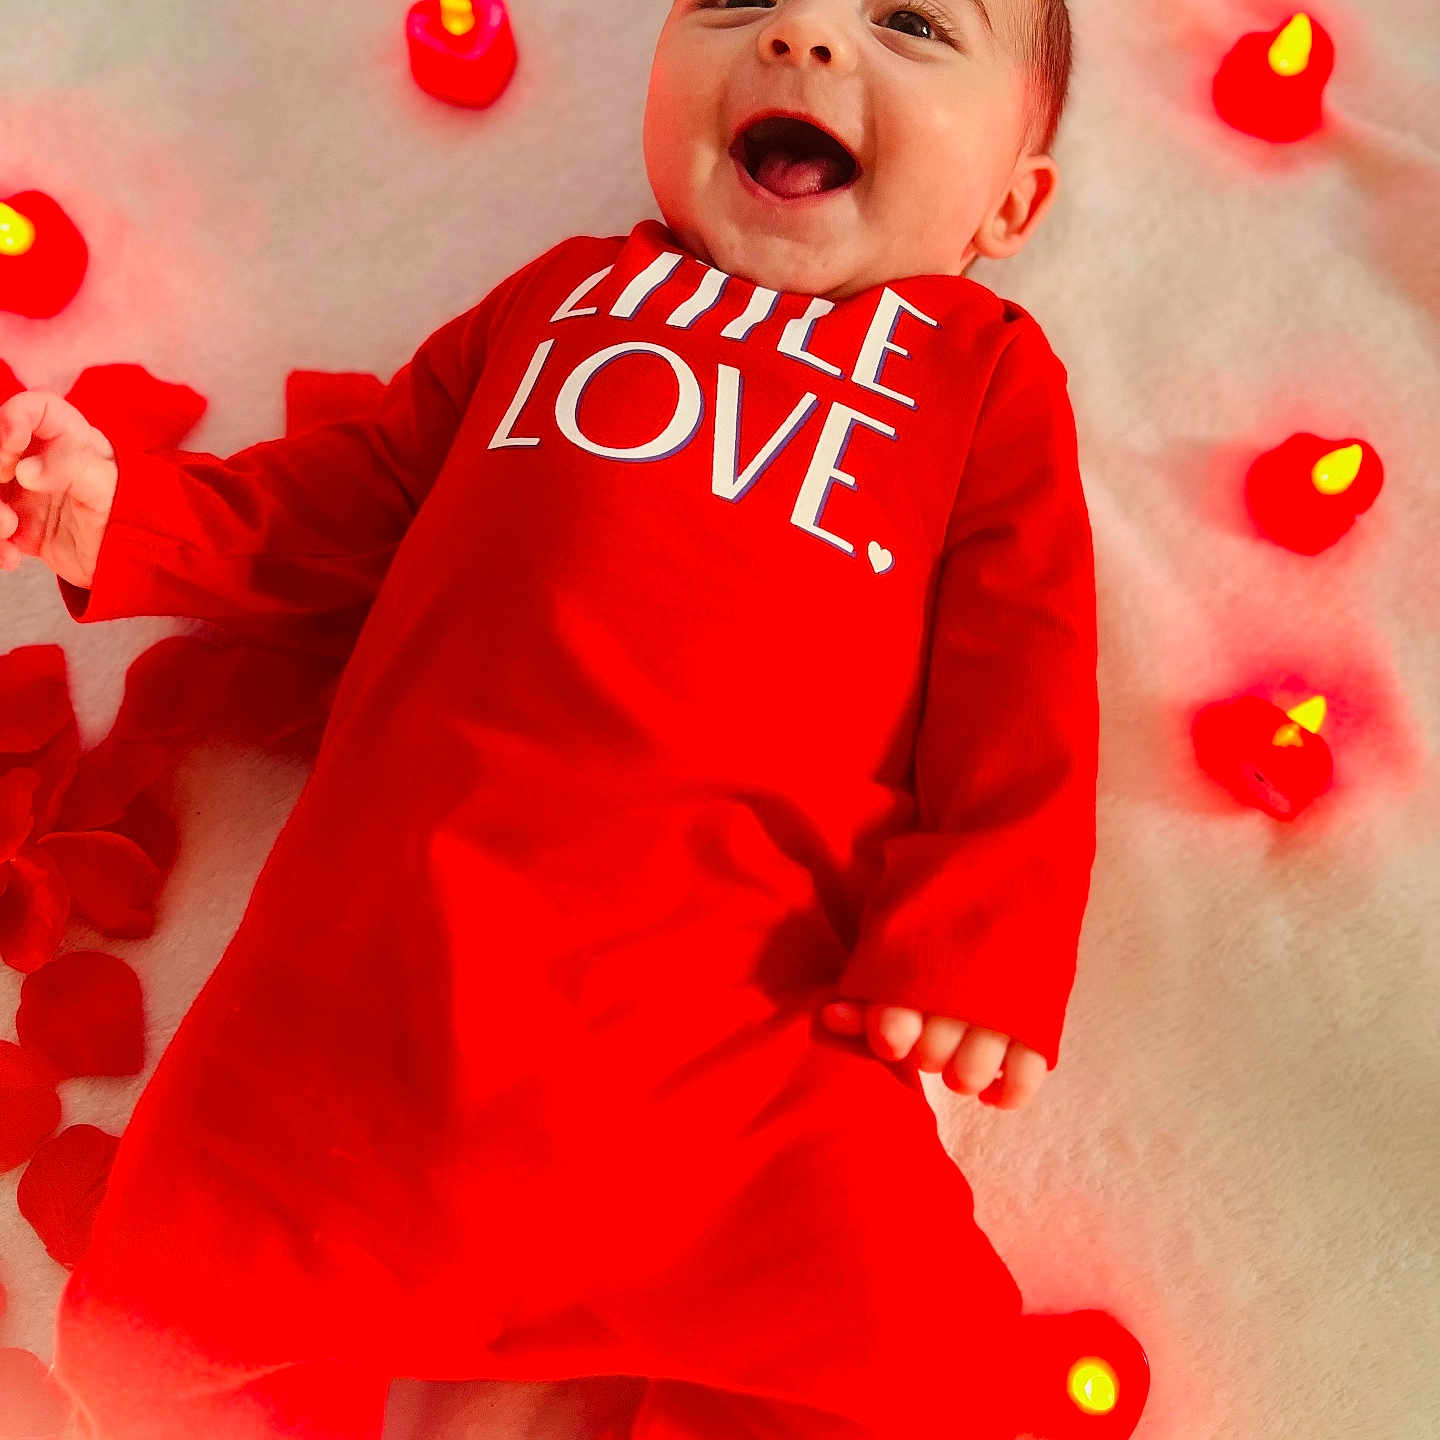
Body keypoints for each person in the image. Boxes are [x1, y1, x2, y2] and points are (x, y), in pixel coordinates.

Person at [0, 1, 1110, 1436]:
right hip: (368, 1016)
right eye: (735, 3)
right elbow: (359, 492)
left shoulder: (977, 373)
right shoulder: (564, 296)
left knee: (938, 1373)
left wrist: (986, 933)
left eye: (907, 23)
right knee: (140, 1336)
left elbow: (1027, 663)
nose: (801, 40)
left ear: (1010, 202)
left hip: (736, 1062)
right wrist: (128, 516)